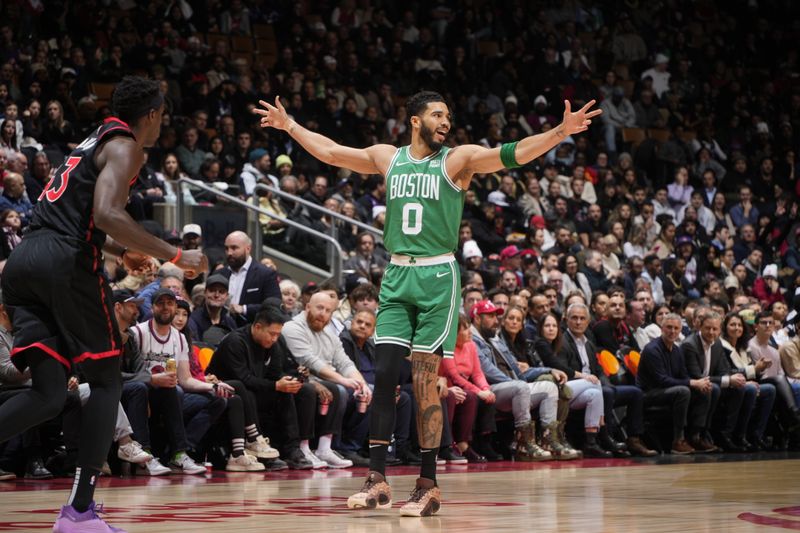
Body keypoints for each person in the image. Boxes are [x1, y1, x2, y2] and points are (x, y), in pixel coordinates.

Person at [257, 89, 601, 515]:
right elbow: (330, 151)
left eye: (449, 116)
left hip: (438, 275)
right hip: (398, 273)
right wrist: (289, 125)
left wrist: (558, 133)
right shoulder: (389, 157)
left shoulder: (457, 160)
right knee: (384, 376)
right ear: (415, 120)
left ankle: (428, 484)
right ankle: (377, 480)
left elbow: (512, 154)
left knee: (423, 379)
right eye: (438, 114)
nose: (446, 122)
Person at [0, 76, 204, 532]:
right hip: (64, 265)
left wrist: (120, 252)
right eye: (162, 115)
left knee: (49, 394)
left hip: (24, 260)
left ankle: (80, 509)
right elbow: (109, 214)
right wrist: (173, 254)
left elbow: (81, 219)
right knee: (107, 378)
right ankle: (79, 512)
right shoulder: (126, 144)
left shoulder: (89, 141)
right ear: (151, 114)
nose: (161, 123)